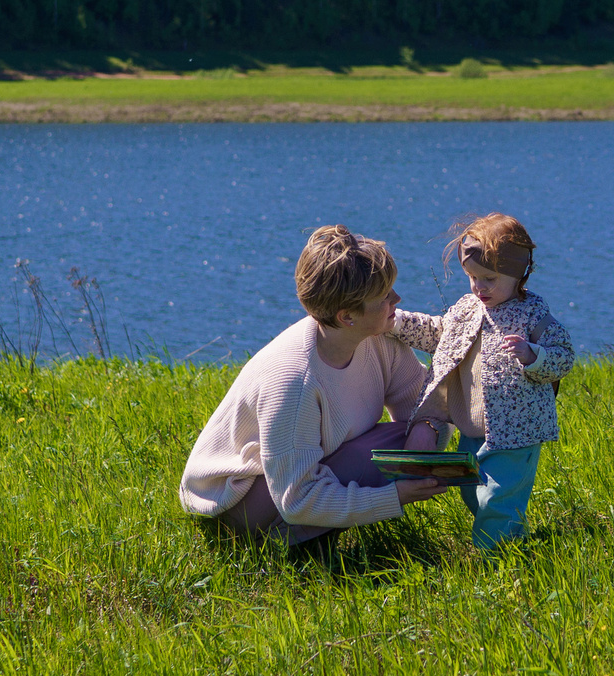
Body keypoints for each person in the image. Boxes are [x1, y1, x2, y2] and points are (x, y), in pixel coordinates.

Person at [179, 225, 455, 545]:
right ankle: (282, 546)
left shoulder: (379, 336)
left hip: (298, 473)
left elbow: (428, 403)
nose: (397, 299)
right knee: (370, 456)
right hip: (237, 505)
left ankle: (315, 532)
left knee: (398, 441)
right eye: (383, 296)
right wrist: (392, 497)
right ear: (347, 317)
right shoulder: (294, 382)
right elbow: (296, 500)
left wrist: (426, 433)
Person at [386, 213, 574, 551]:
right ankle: (513, 540)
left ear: (517, 273)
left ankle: (497, 563)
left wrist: (533, 355)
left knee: (497, 500)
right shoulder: (467, 308)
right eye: (471, 277)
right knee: (474, 495)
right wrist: (398, 322)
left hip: (518, 431)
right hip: (472, 429)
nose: (479, 287)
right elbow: (439, 335)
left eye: (489, 278)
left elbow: (563, 357)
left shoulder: (532, 313)